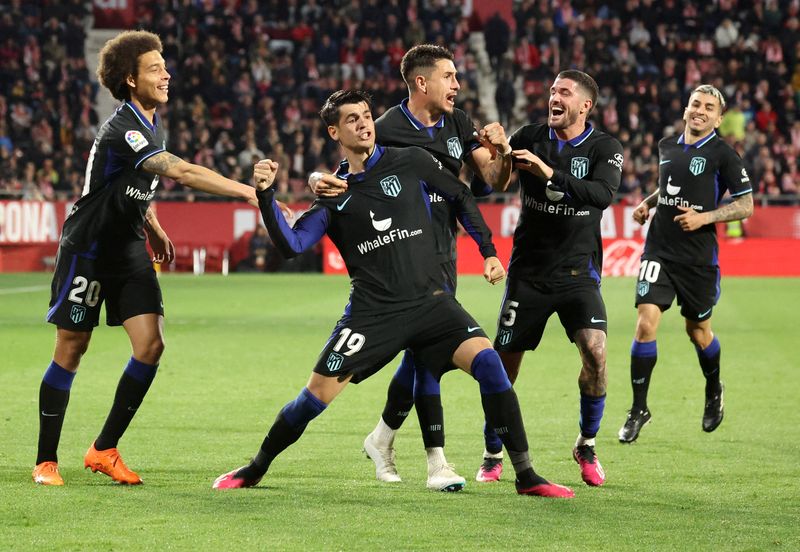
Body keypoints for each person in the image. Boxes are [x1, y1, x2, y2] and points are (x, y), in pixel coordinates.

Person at [212, 90, 574, 499]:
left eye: (366, 116)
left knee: (490, 366)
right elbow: (292, 246)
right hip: (373, 315)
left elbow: (460, 196)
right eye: (352, 119)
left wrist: (488, 251)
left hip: (432, 303)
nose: (364, 124)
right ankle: (256, 467)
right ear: (334, 131)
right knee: (314, 397)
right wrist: (265, 196)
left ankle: (526, 475)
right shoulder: (334, 195)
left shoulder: (412, 161)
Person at [32, 30, 276, 486]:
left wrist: (154, 226)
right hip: (88, 249)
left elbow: (134, 187)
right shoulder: (123, 126)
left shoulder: (150, 122)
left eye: (165, 66)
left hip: (127, 249)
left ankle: (103, 449)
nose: (167, 74)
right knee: (72, 349)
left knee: (151, 344)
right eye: (155, 68)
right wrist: (250, 193)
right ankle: (46, 460)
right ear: (130, 80)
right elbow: (179, 171)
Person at [310, 44, 513, 490]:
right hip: (406, 252)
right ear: (422, 82)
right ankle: (436, 461)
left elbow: (493, 182)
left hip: (445, 250)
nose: (458, 85)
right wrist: (314, 180)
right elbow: (348, 172)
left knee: (425, 354)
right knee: (426, 356)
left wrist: (504, 151)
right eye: (450, 76)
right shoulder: (384, 128)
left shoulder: (459, 123)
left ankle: (382, 437)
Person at [479, 70, 623, 487]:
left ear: (585, 106)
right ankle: (492, 452)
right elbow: (497, 183)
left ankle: (587, 443)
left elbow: (602, 195)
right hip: (529, 274)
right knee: (503, 370)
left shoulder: (604, 147)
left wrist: (548, 172)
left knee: (596, 355)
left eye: (565, 92)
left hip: (580, 274)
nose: (554, 97)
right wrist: (503, 151)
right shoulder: (530, 134)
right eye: (552, 91)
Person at [618, 84, 753, 443]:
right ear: (686, 109)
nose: (700, 110)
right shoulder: (667, 146)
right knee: (646, 322)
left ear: (719, 118)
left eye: (709, 107)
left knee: (697, 331)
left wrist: (704, 218)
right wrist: (649, 203)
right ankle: (638, 409)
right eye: (696, 104)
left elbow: (746, 205)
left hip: (697, 260)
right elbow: (669, 186)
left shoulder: (724, 154)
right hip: (659, 250)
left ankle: (713, 388)